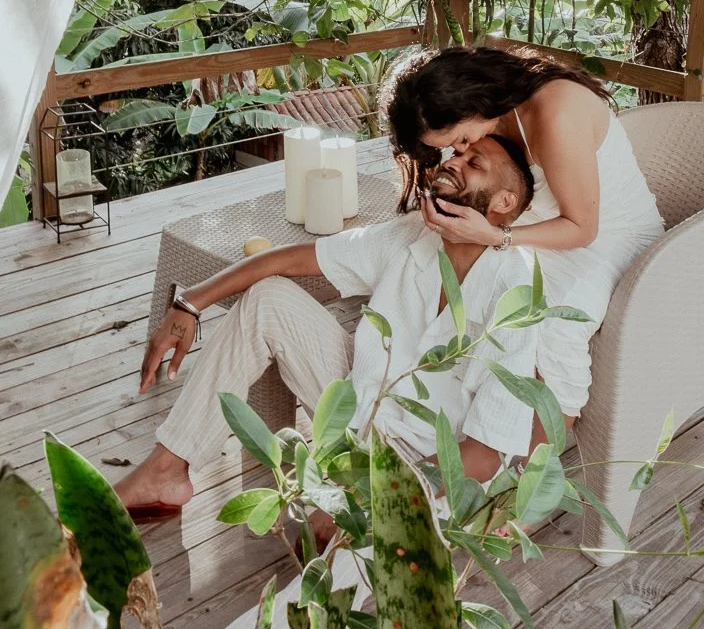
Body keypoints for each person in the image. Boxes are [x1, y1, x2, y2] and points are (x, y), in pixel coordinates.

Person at [115, 134, 542, 522]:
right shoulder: (410, 235)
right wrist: (189, 303)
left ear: (503, 202)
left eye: (474, 164)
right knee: (270, 297)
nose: (454, 160)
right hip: (359, 410)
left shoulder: (515, 290)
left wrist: (371, 492)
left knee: (327, 559)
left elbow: (484, 453)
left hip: (432, 472)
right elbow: (285, 260)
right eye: (457, 153)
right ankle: (167, 468)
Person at [380, 45, 665, 426]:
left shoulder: (555, 114)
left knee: (550, 320)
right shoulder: (494, 108)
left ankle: (543, 442)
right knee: (438, 257)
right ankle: (463, 405)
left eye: (461, 138)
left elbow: (583, 228)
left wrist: (496, 235)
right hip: (540, 222)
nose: (460, 149)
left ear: (472, 103)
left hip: (610, 239)